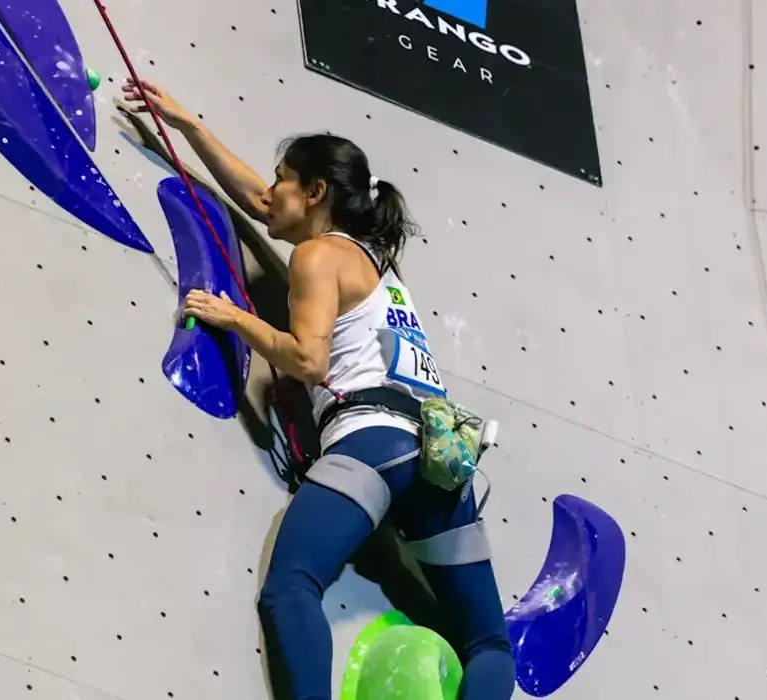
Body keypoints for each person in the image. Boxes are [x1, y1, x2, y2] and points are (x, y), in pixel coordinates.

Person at [122, 79, 516, 700]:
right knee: (490, 645)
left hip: (375, 441)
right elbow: (257, 201)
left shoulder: (316, 258)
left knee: (290, 587)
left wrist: (237, 318)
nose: (271, 191)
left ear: (316, 191)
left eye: (284, 178)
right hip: (442, 456)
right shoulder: (383, 264)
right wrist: (187, 125)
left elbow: (308, 360)